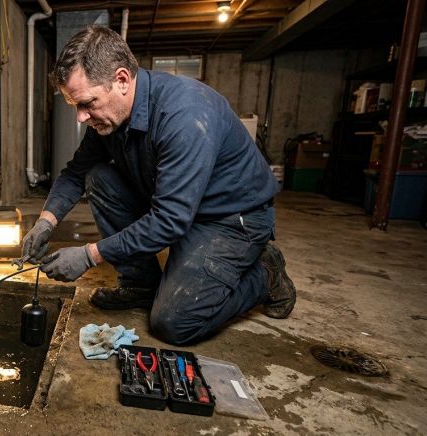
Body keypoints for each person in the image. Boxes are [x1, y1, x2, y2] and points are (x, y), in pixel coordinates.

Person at [22, 26, 296, 345]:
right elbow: (75, 173)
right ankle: (141, 284)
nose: (80, 118)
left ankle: (266, 273)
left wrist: (90, 255)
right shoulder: (108, 118)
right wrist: (46, 222)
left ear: (122, 80)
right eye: (75, 106)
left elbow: (169, 220)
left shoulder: (184, 115)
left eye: (87, 103)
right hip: (175, 204)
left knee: (174, 322)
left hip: (229, 219)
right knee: (99, 177)